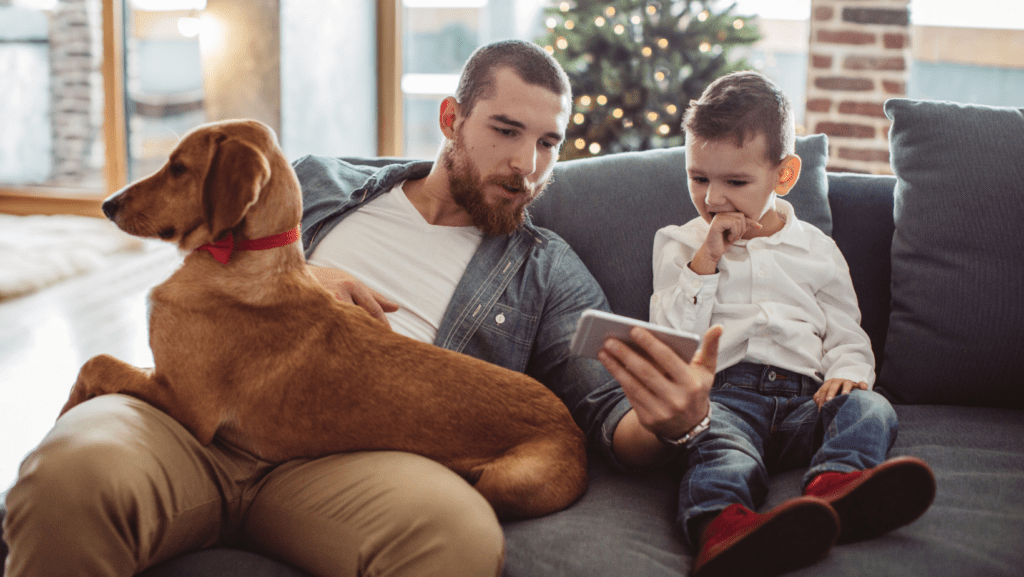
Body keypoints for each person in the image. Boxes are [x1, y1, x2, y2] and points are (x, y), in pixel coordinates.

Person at [3, 40, 718, 577]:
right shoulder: (315, 181)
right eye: (506, 130)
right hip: (191, 421)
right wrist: (298, 271)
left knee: (457, 535)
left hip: (350, 461)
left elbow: (608, 415)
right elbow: (202, 277)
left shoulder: (546, 268)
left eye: (547, 142)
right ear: (451, 118)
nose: (527, 167)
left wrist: (677, 423)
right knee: (74, 475)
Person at [629, 70, 937, 577]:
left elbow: (846, 333)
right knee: (716, 449)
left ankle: (837, 487)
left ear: (784, 176)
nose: (712, 199)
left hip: (805, 400)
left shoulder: (817, 249)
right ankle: (722, 528)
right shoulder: (680, 243)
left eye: (736, 182)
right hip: (724, 397)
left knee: (870, 408)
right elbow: (673, 339)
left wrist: (849, 374)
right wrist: (706, 261)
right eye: (699, 177)